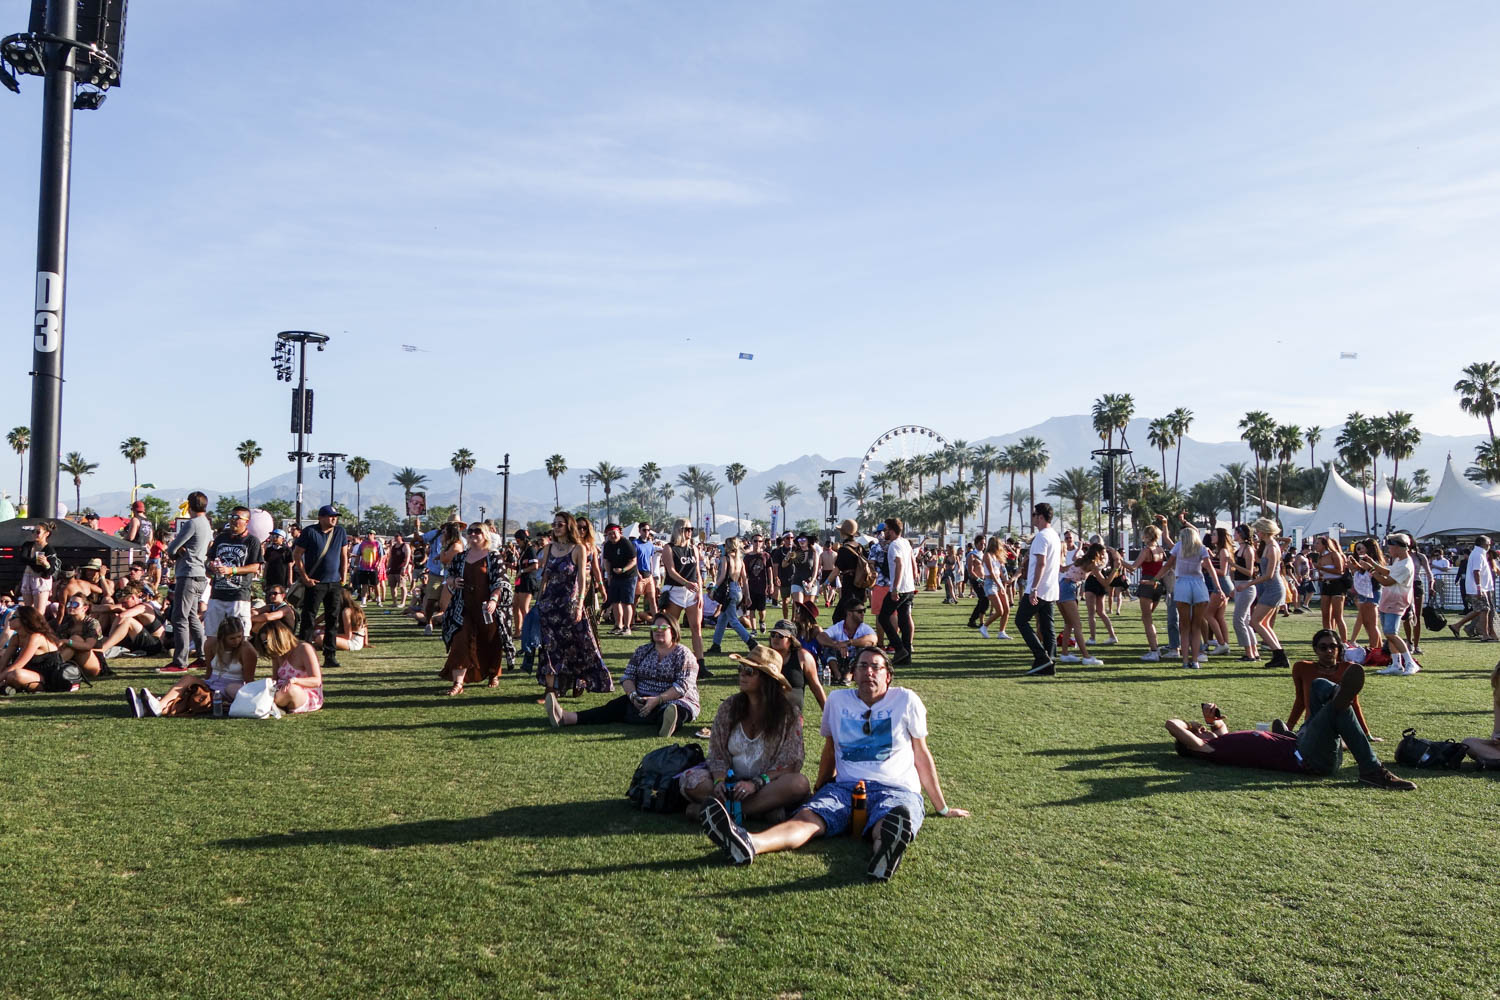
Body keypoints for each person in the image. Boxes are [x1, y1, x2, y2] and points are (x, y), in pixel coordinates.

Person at [699, 647, 970, 880]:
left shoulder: (906, 700)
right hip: (845, 788)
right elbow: (829, 751)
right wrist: (819, 788)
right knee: (808, 819)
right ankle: (750, 842)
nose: (868, 672)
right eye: (862, 666)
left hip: (896, 789)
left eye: (876, 667)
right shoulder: (838, 701)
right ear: (854, 673)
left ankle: (884, 854)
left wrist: (942, 807)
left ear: (888, 675)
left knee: (890, 820)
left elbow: (921, 754)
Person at [1165, 655, 1414, 790]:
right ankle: (1372, 771)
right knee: (1339, 710)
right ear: (1192, 744)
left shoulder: (1221, 741)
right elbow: (1171, 724)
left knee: (1318, 685)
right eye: (1197, 731)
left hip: (1302, 742)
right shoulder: (1208, 750)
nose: (1201, 728)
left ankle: (1336, 694)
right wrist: (1188, 728)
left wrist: (1212, 720)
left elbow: (1219, 727)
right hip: (1308, 759)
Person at [680, 645, 809, 822]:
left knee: (799, 784)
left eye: (749, 671)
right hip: (731, 782)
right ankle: (758, 810)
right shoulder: (729, 707)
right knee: (691, 781)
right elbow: (717, 752)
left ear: (767, 679)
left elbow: (791, 763)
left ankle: (720, 811)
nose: (742, 674)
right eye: (741, 669)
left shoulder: (788, 715)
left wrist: (755, 784)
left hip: (766, 784)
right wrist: (720, 781)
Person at [545, 611, 696, 736]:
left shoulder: (683, 653)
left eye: (663, 628)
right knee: (613, 707)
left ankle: (667, 725)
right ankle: (565, 717)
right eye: (654, 627)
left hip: (673, 699)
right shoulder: (643, 650)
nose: (658, 630)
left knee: (674, 711)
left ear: (674, 630)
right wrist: (633, 696)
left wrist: (658, 699)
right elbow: (628, 677)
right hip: (641, 697)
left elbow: (682, 686)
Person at [536, 511, 612, 699]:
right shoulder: (549, 549)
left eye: (559, 524)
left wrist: (579, 605)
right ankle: (550, 689)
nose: (555, 527)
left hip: (569, 604)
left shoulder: (579, 549)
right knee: (549, 646)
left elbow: (582, 579)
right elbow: (544, 577)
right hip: (549, 604)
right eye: (554, 524)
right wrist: (538, 601)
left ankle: (579, 680)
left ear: (568, 526)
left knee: (576, 645)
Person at [127, 617, 257, 718]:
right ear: (222, 637)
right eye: (232, 638)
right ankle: (156, 706)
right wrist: (201, 684)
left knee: (193, 698)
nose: (237, 641)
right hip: (212, 683)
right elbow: (209, 672)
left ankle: (147, 707)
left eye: (239, 636)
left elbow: (249, 680)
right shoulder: (211, 644)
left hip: (230, 689)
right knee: (188, 679)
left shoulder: (246, 649)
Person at [441, 522, 515, 695]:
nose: (473, 534)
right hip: (463, 607)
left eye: (477, 531)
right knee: (460, 641)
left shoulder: (493, 556)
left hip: (487, 608)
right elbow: (450, 575)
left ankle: (493, 673)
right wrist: (452, 581)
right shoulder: (460, 556)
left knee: (490, 641)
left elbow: (501, 581)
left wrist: (494, 600)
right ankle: (458, 683)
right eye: (470, 531)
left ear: (485, 535)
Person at [1287, 628, 1375, 738]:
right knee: (1306, 737)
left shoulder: (1349, 668)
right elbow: (1300, 701)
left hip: (1340, 725)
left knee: (1331, 739)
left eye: (1333, 647)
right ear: (1316, 649)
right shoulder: (1302, 668)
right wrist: (1288, 727)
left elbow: (1353, 703)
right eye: (1323, 647)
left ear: (1338, 648)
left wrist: (1366, 733)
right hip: (1313, 724)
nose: (1329, 651)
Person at [203, 506, 264, 661]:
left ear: (247, 522)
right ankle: (210, 671)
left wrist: (232, 570)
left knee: (241, 637)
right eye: (231, 516)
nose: (233, 520)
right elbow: (210, 558)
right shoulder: (221, 538)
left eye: (237, 518)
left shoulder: (252, 541)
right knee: (211, 636)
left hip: (238, 596)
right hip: (217, 593)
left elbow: (255, 566)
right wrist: (211, 565)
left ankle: (242, 670)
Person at [293, 504, 350, 670]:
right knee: (308, 618)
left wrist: (343, 577)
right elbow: (297, 555)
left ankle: (330, 655)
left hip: (334, 583)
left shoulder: (340, 532)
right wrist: (305, 578)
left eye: (335, 516)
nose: (334, 519)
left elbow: (344, 555)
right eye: (330, 516)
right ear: (321, 517)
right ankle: (303, 654)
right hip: (315, 583)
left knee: (332, 619)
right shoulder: (310, 532)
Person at [162, 492, 213, 674]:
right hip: (200, 575)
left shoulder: (192, 523)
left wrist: (179, 550)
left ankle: (180, 661)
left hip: (188, 574)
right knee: (192, 616)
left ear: (190, 505)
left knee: (180, 617)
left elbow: (171, 548)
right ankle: (202, 655)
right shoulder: (206, 523)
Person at [1366, 533, 1420, 676]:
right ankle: (1396, 664)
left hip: (1396, 602)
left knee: (1391, 633)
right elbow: (1388, 572)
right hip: (1388, 601)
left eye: (1391, 547)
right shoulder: (1400, 561)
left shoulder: (1406, 565)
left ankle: (1409, 662)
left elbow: (1387, 581)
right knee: (1389, 634)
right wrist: (1373, 563)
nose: (1389, 550)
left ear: (1398, 547)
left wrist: (1370, 569)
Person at [1163, 524, 1216, 669]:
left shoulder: (1179, 546)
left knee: (1184, 626)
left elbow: (1167, 565)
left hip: (1182, 584)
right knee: (1196, 625)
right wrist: (1218, 588)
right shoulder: (1201, 548)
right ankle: (1196, 660)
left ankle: (1185, 661)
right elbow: (1210, 568)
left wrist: (1154, 579)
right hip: (1198, 584)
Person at [1018, 504, 1062, 676]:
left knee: (1021, 621)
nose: (1033, 517)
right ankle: (1049, 662)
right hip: (1051, 587)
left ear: (1041, 517)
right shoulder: (1054, 536)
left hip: (1039, 588)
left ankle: (1041, 657)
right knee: (1047, 626)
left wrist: (1034, 587)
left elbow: (1041, 564)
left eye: (1034, 514)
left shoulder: (1041, 537)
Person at [660, 519, 707, 666]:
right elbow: (671, 571)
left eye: (691, 529)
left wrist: (700, 592)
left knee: (696, 627)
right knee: (672, 628)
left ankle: (700, 663)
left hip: (692, 591)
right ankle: (669, 659)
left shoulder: (693, 548)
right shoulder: (669, 548)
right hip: (675, 590)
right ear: (679, 530)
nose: (690, 532)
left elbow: (697, 572)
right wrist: (686, 583)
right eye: (687, 529)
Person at [254, 619, 325, 714]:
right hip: (280, 691)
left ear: (278, 638)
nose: (266, 646)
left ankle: (267, 704)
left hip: (304, 694)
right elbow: (275, 679)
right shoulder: (277, 652)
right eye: (264, 643)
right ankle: (273, 705)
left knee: (291, 689)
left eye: (267, 642)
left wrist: (294, 680)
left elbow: (316, 681)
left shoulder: (304, 649)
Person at [0, 607, 74, 694]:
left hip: (48, 678)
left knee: (15, 675)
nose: (9, 619)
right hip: (30, 674)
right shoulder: (16, 638)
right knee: (9, 673)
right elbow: (2, 663)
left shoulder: (35, 637)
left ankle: (11, 687)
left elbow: (18, 665)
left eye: (13, 617)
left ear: (24, 620)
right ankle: (9, 687)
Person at [1055, 543, 1106, 667]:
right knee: (1077, 625)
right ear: (1098, 553)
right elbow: (1105, 582)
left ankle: (1065, 653)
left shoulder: (1081, 560)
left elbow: (1065, 569)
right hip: (1069, 588)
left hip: (1062, 586)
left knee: (1069, 623)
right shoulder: (1092, 565)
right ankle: (1086, 656)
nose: (1104, 556)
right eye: (1103, 553)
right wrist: (1116, 569)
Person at [1247, 517, 1288, 669]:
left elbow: (1269, 575)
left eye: (1258, 530)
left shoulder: (1272, 548)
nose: (1256, 533)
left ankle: (1278, 653)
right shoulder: (1270, 545)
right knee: (1263, 623)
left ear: (1264, 531)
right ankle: (1278, 654)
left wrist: (1249, 584)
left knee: (1255, 622)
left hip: (1273, 588)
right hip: (1272, 588)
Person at [707, 536, 758, 655]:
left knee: (733, 620)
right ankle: (716, 644)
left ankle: (751, 642)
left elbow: (722, 577)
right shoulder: (740, 560)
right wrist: (747, 596)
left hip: (728, 591)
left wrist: (714, 589)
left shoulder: (726, 558)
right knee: (722, 619)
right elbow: (745, 579)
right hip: (737, 590)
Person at [877, 518, 918, 666]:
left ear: (892, 531)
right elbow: (913, 562)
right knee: (904, 620)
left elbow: (899, 564)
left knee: (883, 617)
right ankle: (906, 657)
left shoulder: (894, 545)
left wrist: (895, 588)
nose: (884, 532)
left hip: (899, 589)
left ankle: (899, 648)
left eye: (886, 530)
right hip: (908, 588)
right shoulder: (905, 542)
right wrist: (913, 579)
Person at [767, 616, 826, 713]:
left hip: (793, 717)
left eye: (781, 636)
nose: (775, 638)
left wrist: (828, 714)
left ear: (791, 639)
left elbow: (816, 687)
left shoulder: (803, 657)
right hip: (768, 715)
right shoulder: (765, 656)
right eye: (773, 634)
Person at [816, 602, 878, 684]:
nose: (863, 614)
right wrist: (836, 645)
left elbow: (873, 640)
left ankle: (849, 675)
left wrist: (849, 643)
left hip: (855, 661)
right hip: (839, 660)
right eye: (859, 611)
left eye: (864, 611)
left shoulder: (865, 628)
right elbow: (821, 637)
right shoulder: (838, 627)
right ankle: (837, 674)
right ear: (849, 613)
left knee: (863, 649)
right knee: (828, 646)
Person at [1449, 535, 1496, 641]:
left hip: (1479, 587)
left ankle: (1457, 625)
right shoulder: (1478, 554)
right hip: (1477, 588)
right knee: (1484, 609)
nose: (1489, 545)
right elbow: (1476, 571)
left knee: (1480, 610)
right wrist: (1479, 588)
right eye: (1488, 543)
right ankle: (1485, 634)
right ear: (1483, 543)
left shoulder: (1479, 553)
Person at [600, 524, 639, 637]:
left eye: (614, 533)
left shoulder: (626, 543)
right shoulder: (607, 545)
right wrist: (609, 575)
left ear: (619, 533)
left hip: (628, 576)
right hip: (615, 576)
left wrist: (623, 570)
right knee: (615, 601)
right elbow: (606, 561)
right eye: (609, 534)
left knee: (627, 602)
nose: (612, 536)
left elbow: (633, 560)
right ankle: (618, 625)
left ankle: (627, 627)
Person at [1461, 663, 1500, 767]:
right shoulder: (1498, 699)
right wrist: (1496, 738)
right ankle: (1495, 761)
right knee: (1468, 743)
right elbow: (1497, 732)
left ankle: (1494, 761)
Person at [1313, 535, 1348, 644]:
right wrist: (1319, 575)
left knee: (1337, 616)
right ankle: (1329, 639)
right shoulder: (1320, 557)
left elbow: (1340, 571)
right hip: (1326, 584)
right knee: (1325, 614)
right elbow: (1322, 573)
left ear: (1325, 544)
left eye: (1318, 543)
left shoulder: (1334, 554)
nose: (1315, 545)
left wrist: (1321, 568)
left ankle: (1344, 642)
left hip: (1337, 584)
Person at [831, 519, 868, 621]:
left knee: (838, 617)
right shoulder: (860, 548)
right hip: (860, 587)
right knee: (856, 617)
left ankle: (846, 637)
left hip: (849, 588)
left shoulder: (844, 549)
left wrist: (825, 584)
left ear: (843, 533)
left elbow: (836, 570)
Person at [18, 521, 59, 614]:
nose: (35, 534)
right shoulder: (28, 545)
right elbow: (22, 559)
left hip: (40, 580)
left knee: (38, 613)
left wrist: (45, 564)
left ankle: (38, 628)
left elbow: (50, 571)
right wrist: (37, 564)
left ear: (46, 534)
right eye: (33, 531)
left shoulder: (49, 550)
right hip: (28, 577)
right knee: (28, 611)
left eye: (38, 532)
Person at [742, 534, 773, 633]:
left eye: (760, 541)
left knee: (761, 610)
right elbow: (744, 573)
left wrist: (771, 584)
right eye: (755, 541)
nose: (757, 543)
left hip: (762, 586)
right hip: (751, 586)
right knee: (751, 609)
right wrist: (744, 586)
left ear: (762, 543)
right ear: (752, 542)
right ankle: (754, 630)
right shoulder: (747, 557)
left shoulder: (766, 555)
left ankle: (762, 621)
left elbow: (769, 570)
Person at [632, 523, 660, 619]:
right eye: (644, 530)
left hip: (649, 575)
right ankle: (631, 622)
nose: (646, 532)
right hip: (639, 574)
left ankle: (656, 621)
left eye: (648, 530)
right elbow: (633, 560)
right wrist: (637, 573)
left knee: (652, 600)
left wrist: (652, 573)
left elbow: (650, 559)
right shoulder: (635, 543)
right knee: (636, 600)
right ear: (639, 530)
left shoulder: (650, 544)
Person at [352, 529, 383, 603]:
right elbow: (358, 555)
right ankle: (363, 601)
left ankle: (378, 600)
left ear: (374, 535)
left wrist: (378, 564)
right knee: (364, 585)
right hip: (363, 568)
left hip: (373, 568)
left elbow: (381, 556)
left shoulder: (377, 544)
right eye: (368, 533)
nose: (368, 535)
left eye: (370, 533)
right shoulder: (362, 544)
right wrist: (356, 566)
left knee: (375, 585)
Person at [261, 529, 294, 595]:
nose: (273, 538)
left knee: (281, 597)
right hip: (270, 578)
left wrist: (289, 579)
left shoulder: (286, 550)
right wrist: (263, 579)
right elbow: (266, 565)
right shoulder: (269, 550)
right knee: (269, 596)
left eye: (276, 536)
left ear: (282, 538)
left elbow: (289, 566)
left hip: (282, 579)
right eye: (272, 536)